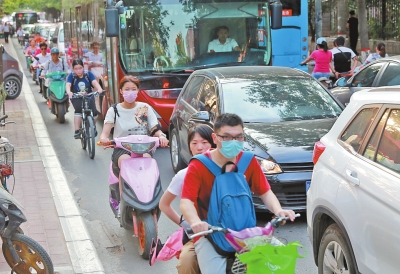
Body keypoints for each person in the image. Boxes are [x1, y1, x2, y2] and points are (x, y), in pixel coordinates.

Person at [180, 113, 296, 274]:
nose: (233, 142)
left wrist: (278, 210)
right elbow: (186, 201)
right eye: (226, 137)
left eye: (239, 137)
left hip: (246, 232)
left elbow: (265, 192)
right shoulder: (199, 165)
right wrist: (195, 222)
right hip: (211, 234)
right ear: (215, 138)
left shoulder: (248, 161)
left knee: (281, 263)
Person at [99, 76, 169, 213]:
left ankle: (150, 196)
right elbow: (105, 133)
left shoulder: (145, 108)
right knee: (125, 163)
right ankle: (123, 203)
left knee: (149, 164)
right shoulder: (114, 110)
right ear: (121, 91)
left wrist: (161, 136)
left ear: (138, 91)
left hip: (144, 147)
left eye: (133, 89)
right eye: (127, 89)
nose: (130, 92)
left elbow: (155, 129)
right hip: (122, 148)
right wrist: (104, 139)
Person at [160, 124, 215, 274]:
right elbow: (164, 205)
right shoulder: (183, 175)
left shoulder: (227, 170)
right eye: (194, 143)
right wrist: (186, 224)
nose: (199, 147)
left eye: (204, 142)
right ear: (189, 146)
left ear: (213, 143)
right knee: (186, 262)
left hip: (228, 231)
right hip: (199, 236)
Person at [66, 59, 103, 138]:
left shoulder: (88, 74)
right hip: (76, 96)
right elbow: (68, 85)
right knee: (78, 111)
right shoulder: (71, 76)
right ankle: (77, 131)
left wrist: (99, 89)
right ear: (73, 69)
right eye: (76, 69)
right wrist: (69, 92)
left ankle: (93, 126)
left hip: (89, 95)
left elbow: (94, 82)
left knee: (95, 114)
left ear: (83, 67)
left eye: (80, 68)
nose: (78, 71)